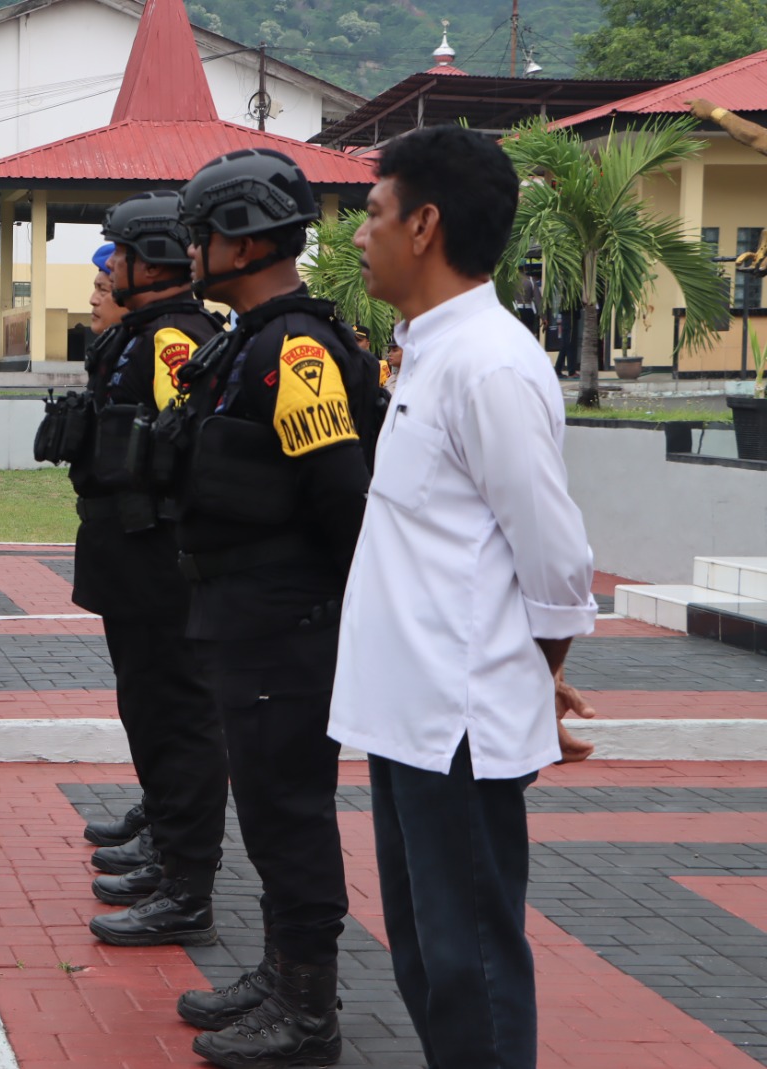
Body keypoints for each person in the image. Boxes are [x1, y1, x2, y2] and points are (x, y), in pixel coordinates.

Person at [329, 124, 598, 1069]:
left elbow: (557, 559)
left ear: (425, 224)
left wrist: (535, 676)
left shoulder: (489, 362)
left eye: (372, 213)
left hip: (457, 720)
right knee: (425, 957)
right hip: (410, 711)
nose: (360, 234)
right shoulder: (428, 350)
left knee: (470, 958)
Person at [165, 149, 380, 1069]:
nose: (192, 249)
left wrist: (319, 616)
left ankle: (308, 1010)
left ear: (245, 239)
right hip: (246, 611)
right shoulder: (244, 338)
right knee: (265, 803)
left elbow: (342, 499)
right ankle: (281, 968)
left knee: (288, 808)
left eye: (204, 232)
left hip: (284, 621)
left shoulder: (294, 349)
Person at [55, 199, 230, 951]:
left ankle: (184, 878)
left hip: (158, 556)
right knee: (146, 704)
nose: (109, 267)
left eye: (119, 253)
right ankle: (164, 837)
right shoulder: (142, 333)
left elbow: (185, 453)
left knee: (178, 714)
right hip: (128, 550)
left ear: (151, 261)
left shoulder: (172, 339)